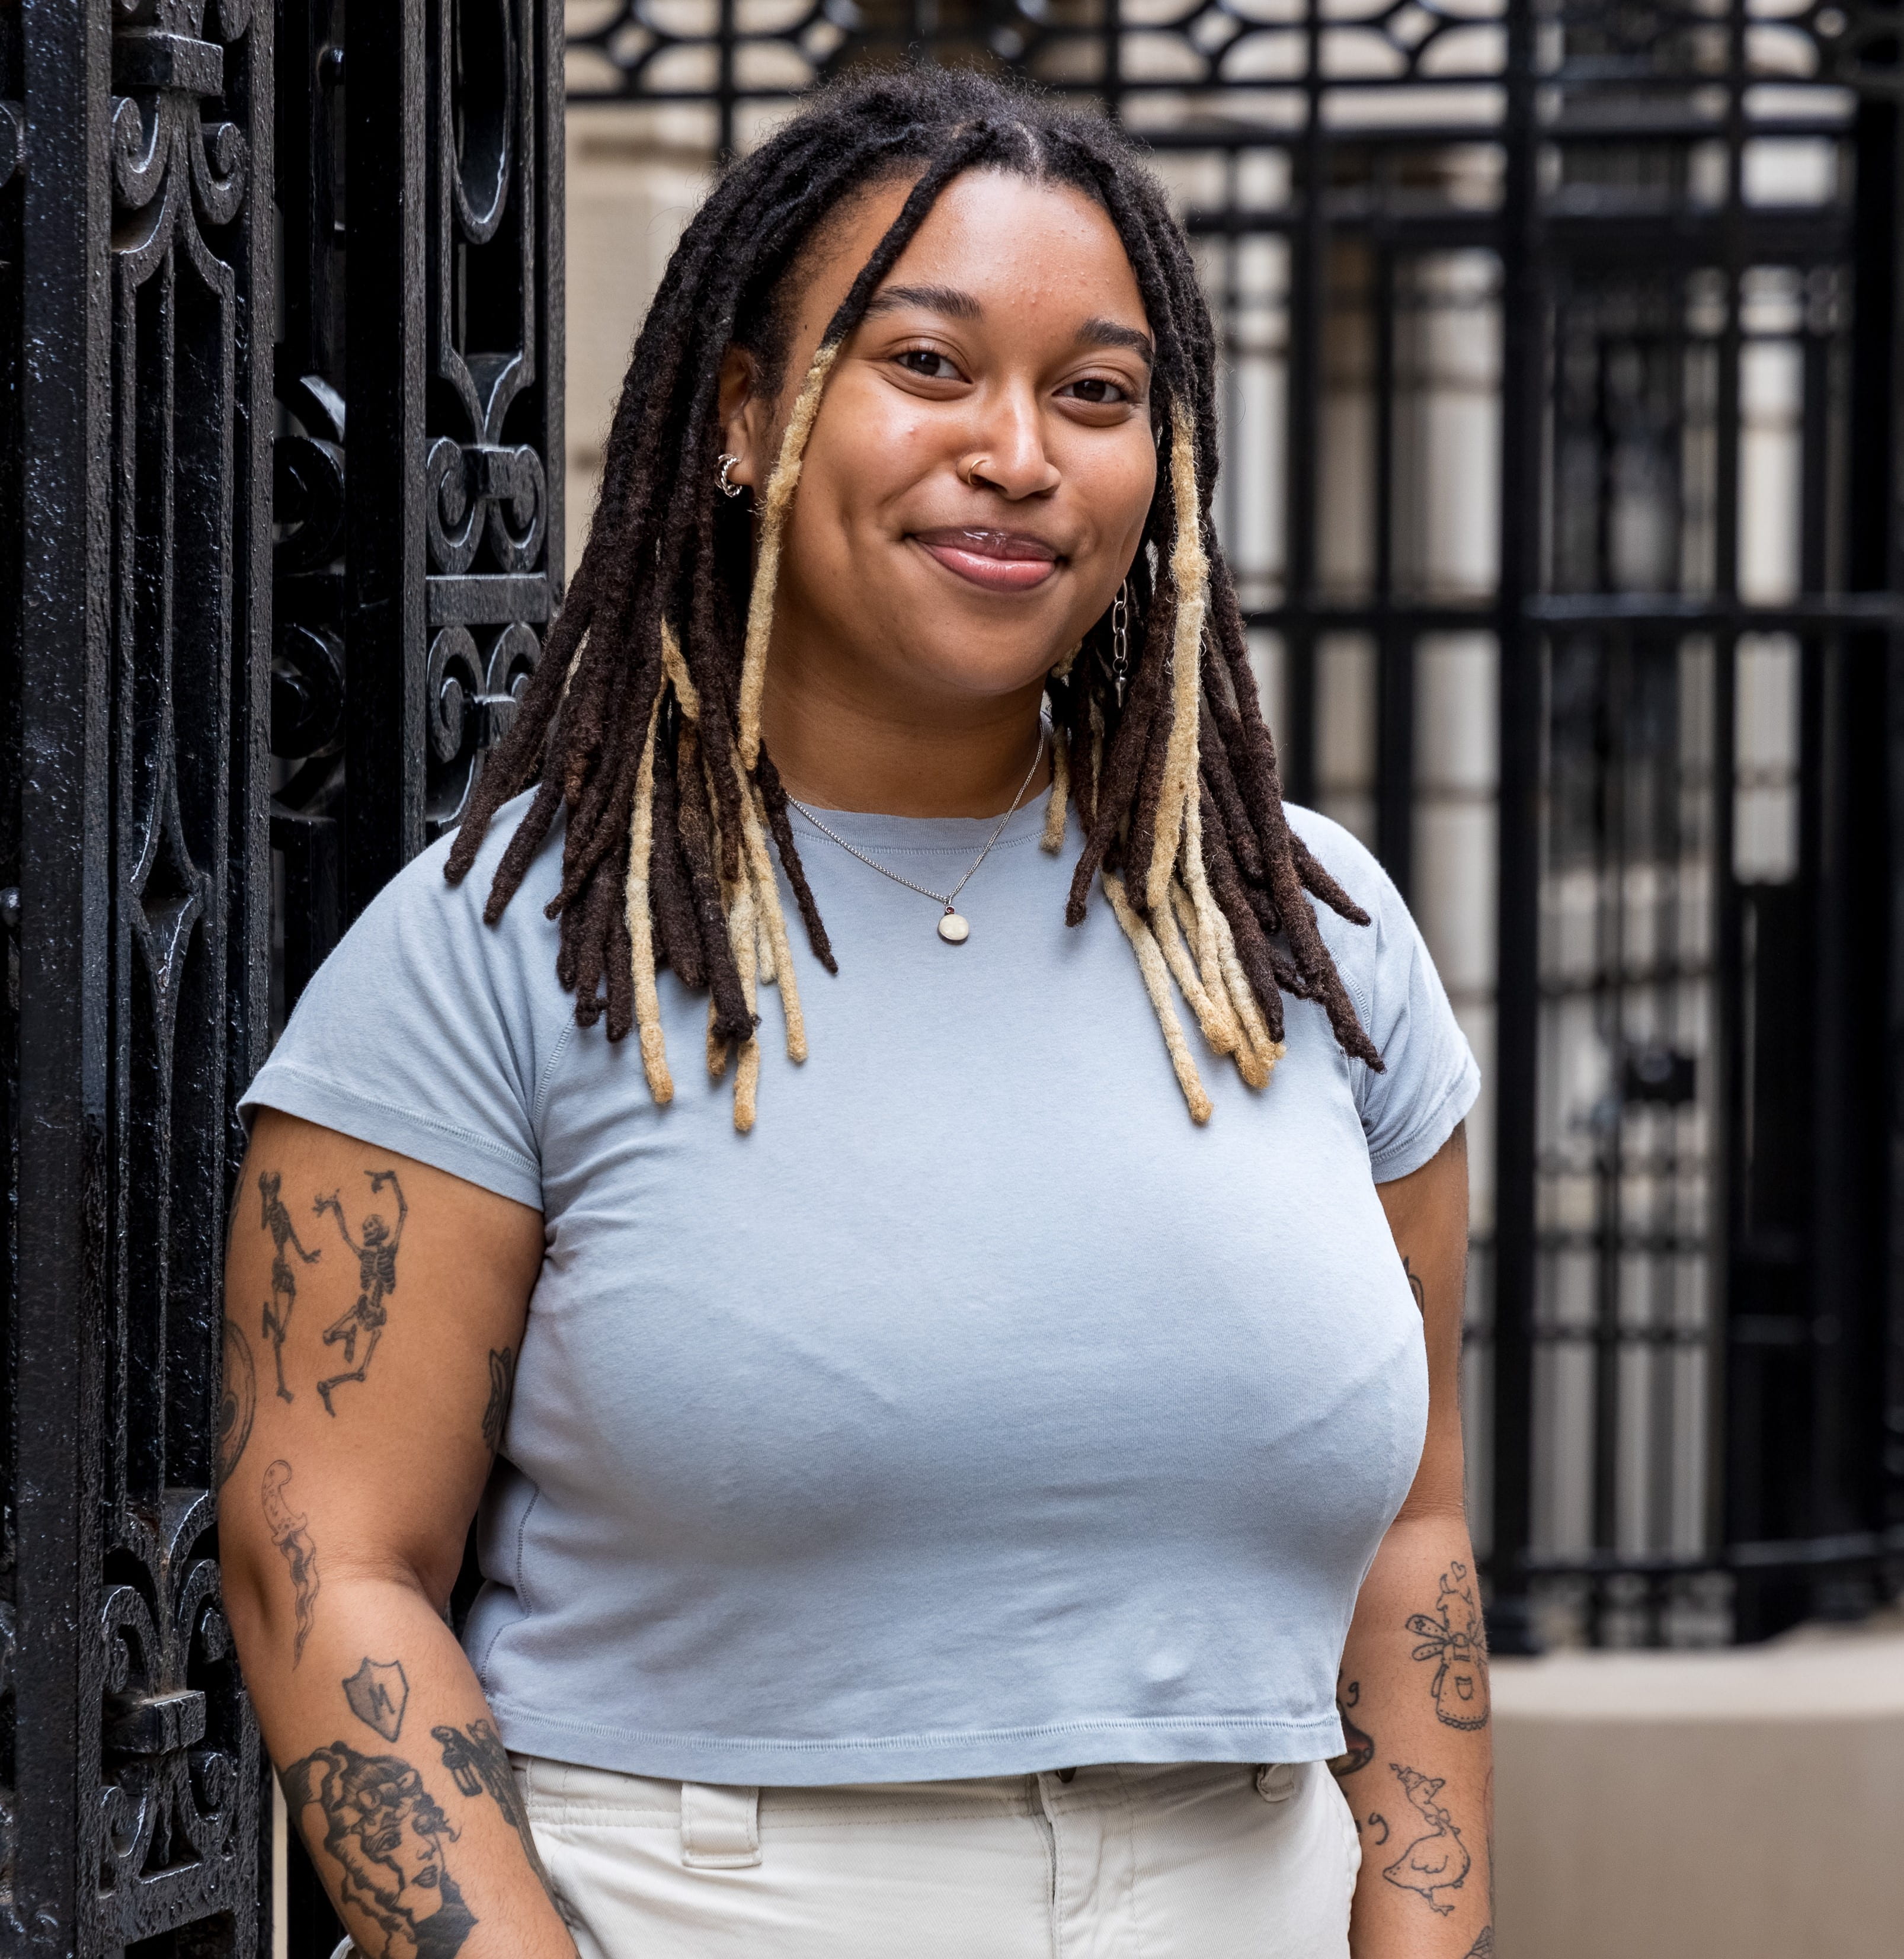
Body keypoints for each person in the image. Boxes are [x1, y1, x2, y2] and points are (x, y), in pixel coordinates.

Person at [221, 65, 1489, 1959]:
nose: (1019, 452)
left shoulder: (1307, 934)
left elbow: (1418, 1538)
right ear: (744, 416)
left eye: (1097, 393)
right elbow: (319, 1550)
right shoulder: (512, 942)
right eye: (928, 363)